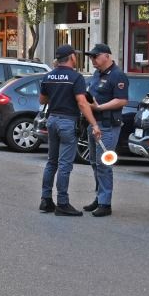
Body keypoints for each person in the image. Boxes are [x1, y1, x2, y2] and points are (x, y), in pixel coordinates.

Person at [38, 44, 100, 217]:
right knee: (65, 164)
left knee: (52, 162)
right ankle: (63, 203)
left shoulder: (48, 76)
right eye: (76, 55)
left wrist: (57, 94)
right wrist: (94, 124)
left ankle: (46, 200)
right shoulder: (76, 77)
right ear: (72, 57)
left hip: (52, 120)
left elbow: (42, 100)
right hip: (67, 122)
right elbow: (81, 102)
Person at [83, 42, 129, 217]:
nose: (92, 59)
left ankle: (105, 203)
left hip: (107, 125)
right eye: (91, 57)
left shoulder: (117, 75)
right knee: (94, 163)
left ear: (106, 56)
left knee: (103, 164)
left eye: (95, 56)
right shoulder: (96, 74)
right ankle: (99, 197)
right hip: (93, 123)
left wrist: (100, 107)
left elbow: (122, 100)